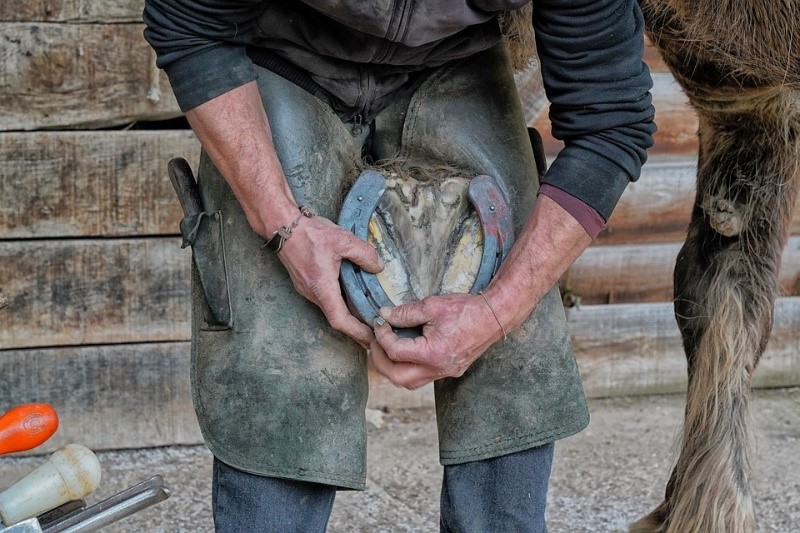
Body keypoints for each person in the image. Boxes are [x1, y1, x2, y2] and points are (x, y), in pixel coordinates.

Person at [143, 1, 656, 531]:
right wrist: (283, 226)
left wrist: (501, 311)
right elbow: (187, 22)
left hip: (457, 59)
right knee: (279, 372)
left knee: (512, 367)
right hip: (280, 48)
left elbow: (611, 120)